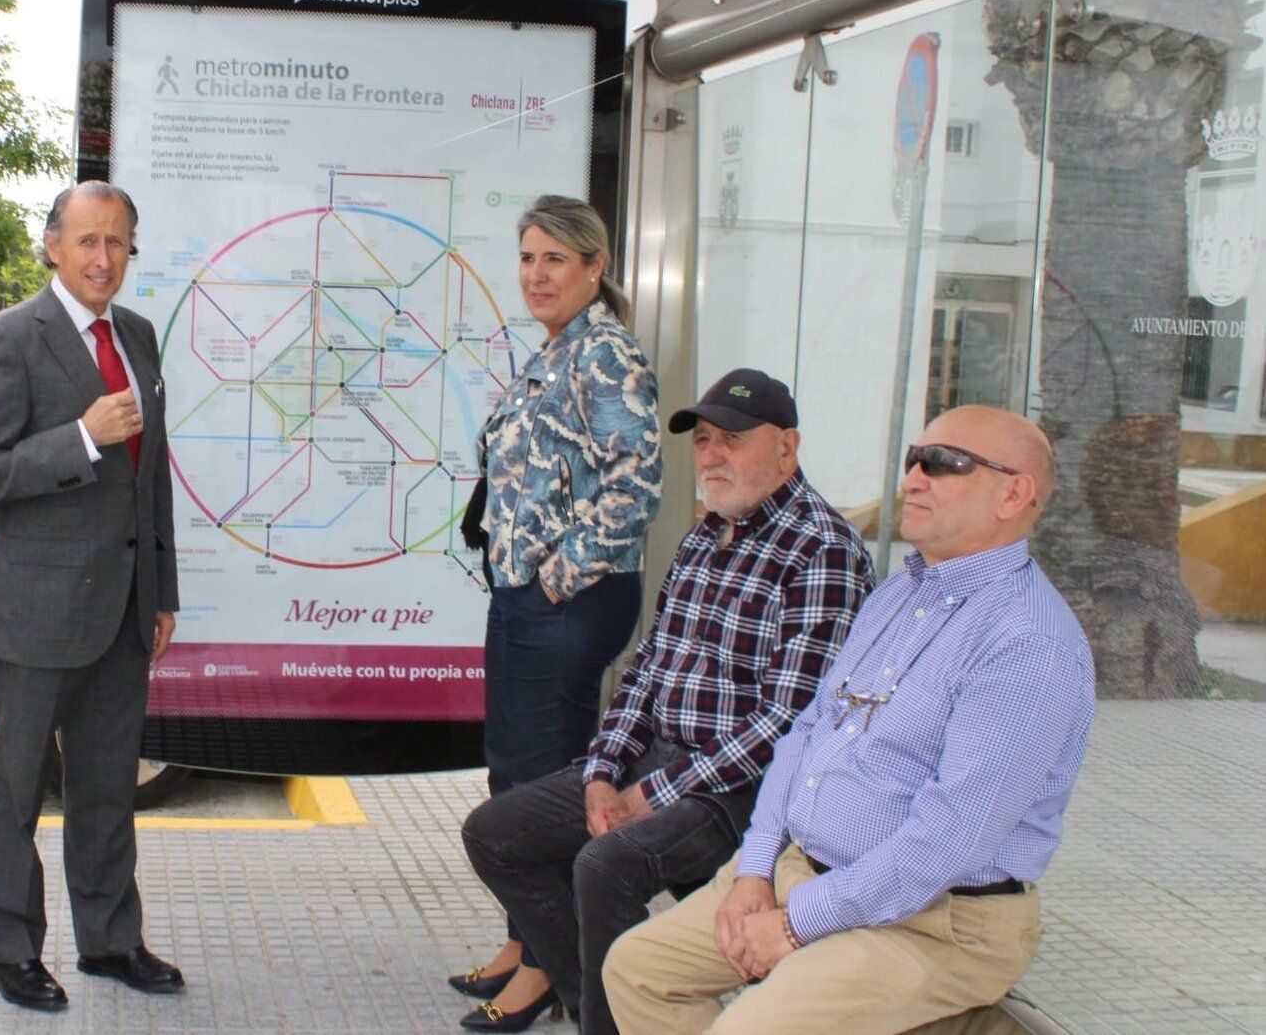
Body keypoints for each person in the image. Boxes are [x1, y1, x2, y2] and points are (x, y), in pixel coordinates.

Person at [603, 405, 1095, 1035]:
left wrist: (793, 923)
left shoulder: (1027, 642)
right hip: (801, 871)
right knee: (639, 968)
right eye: (915, 457)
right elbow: (807, 733)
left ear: (1013, 493)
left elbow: (949, 840)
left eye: (942, 464)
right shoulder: (901, 591)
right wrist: (755, 868)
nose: (914, 477)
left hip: (936, 923)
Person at [459, 369, 873, 1033]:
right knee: (496, 834)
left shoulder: (820, 551)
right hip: (662, 761)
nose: (711, 455)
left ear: (787, 448)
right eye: (703, 439)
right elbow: (647, 670)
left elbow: (785, 722)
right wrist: (601, 772)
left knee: (606, 865)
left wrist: (650, 795)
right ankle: (600, 1011)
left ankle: (607, 1019)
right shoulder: (705, 539)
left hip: (747, 789)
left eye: (733, 440)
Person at [0, 180, 183, 1012]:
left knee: (106, 786)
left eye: (118, 242)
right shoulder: (9, 338)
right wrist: (83, 436)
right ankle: (10, 952)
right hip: (37, 611)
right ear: (51, 245)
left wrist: (162, 591)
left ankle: (111, 941)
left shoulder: (140, 337)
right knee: (15, 790)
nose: (102, 258)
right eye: (87, 241)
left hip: (125, 610)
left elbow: (150, 476)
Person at [452, 195, 661, 1024]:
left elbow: (634, 486)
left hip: (569, 602)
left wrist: (555, 577)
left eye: (555, 260)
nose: (537, 274)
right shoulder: (560, 348)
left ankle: (549, 968)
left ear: (595, 266)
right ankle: (522, 943)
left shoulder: (604, 354)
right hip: (528, 594)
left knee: (542, 782)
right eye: (528, 258)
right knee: (515, 773)